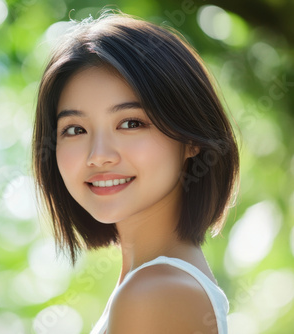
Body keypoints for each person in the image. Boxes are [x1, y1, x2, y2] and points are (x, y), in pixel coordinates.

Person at [31, 11, 239, 334]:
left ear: (191, 140)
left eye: (130, 123)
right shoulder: (153, 285)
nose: (98, 156)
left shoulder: (154, 292)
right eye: (75, 129)